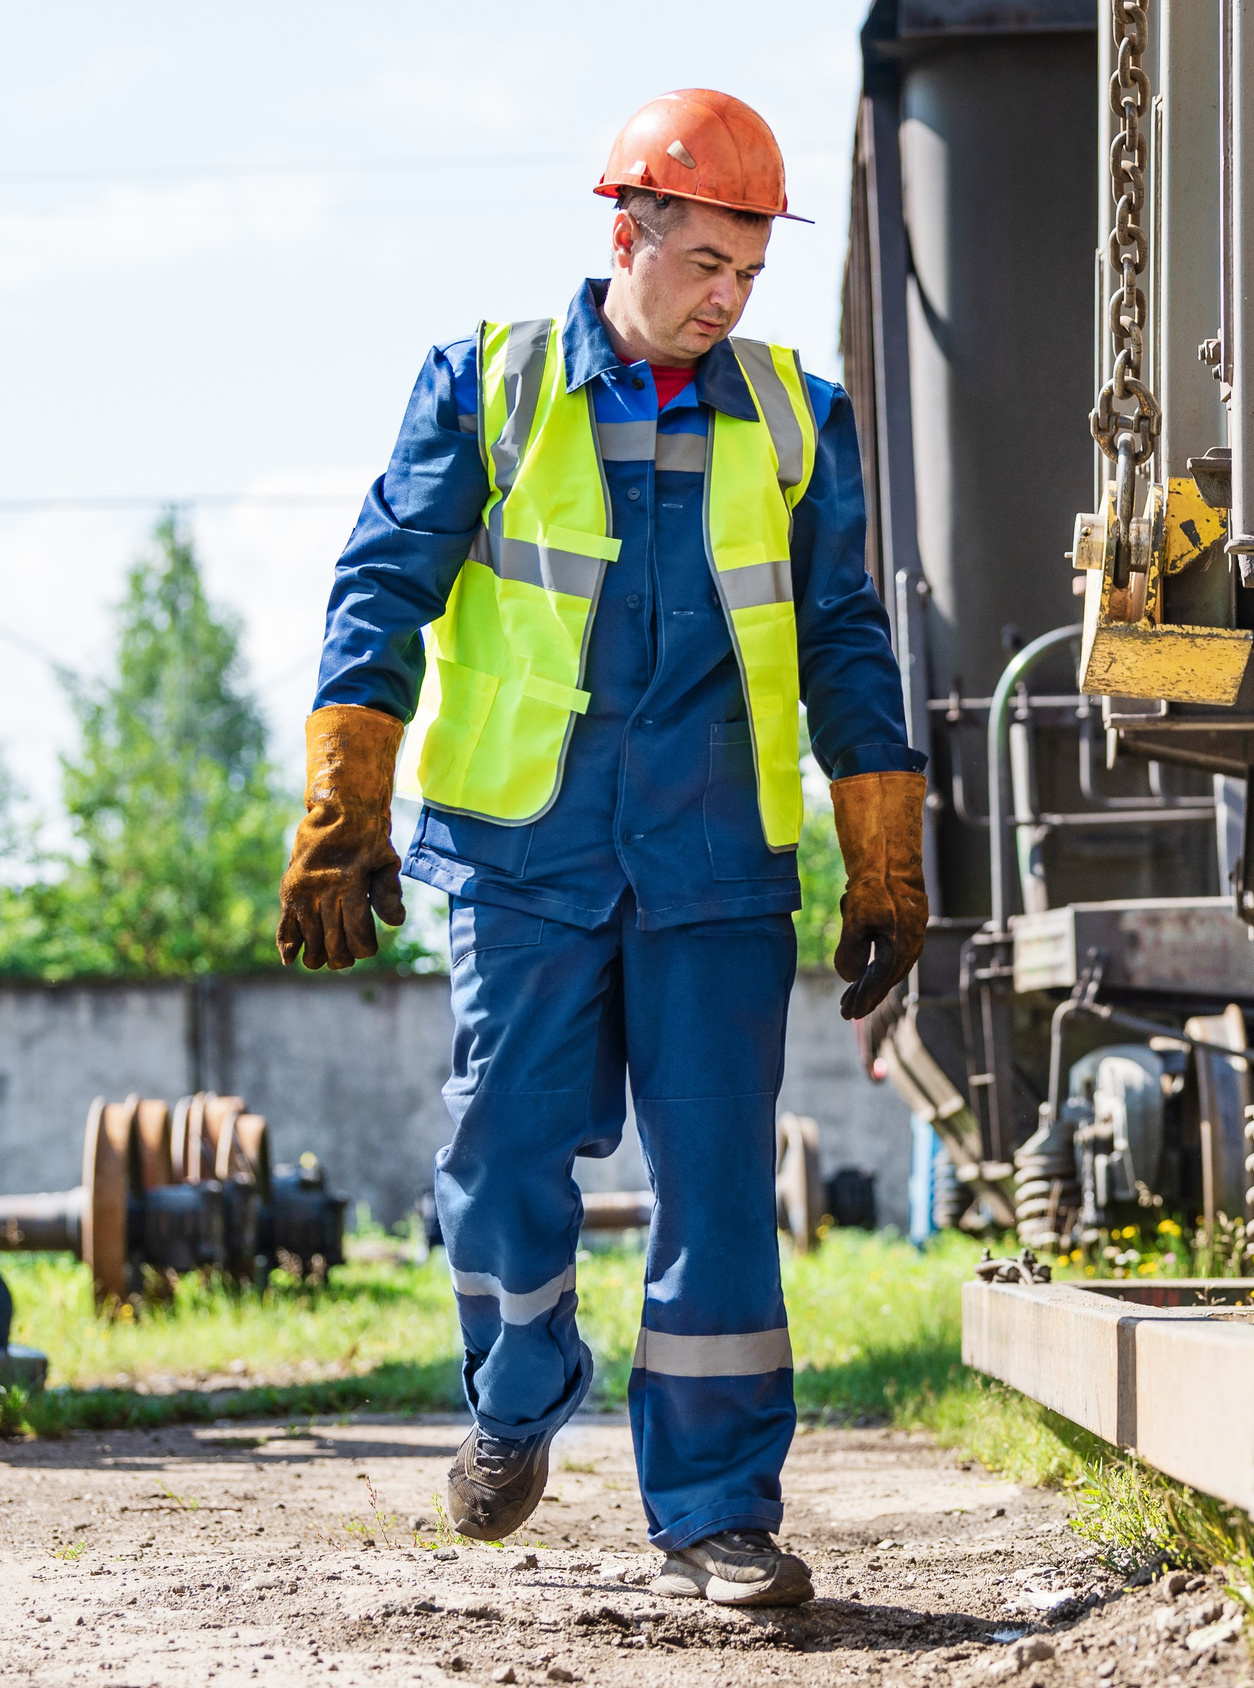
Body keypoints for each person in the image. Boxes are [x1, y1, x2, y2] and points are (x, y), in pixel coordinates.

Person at [275, 89, 926, 1608]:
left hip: (714, 868)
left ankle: (716, 1512)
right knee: (501, 1153)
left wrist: (884, 852)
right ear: (623, 230)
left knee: (715, 1191)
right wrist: (342, 806)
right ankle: (516, 1390)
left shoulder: (795, 419)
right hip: (524, 862)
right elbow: (380, 590)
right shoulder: (486, 389)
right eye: (704, 262)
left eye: (749, 275)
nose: (726, 299)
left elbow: (844, 643)